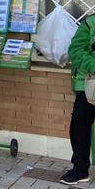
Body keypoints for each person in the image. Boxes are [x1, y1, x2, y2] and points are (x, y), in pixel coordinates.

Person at [62, 13, 95, 185]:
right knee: (79, 125)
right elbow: (75, 51)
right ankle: (80, 170)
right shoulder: (90, 22)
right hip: (89, 85)